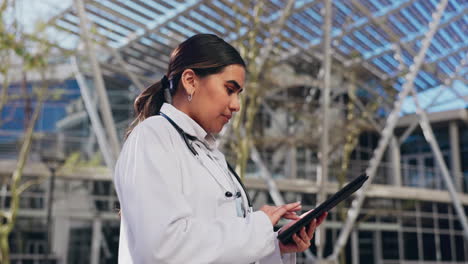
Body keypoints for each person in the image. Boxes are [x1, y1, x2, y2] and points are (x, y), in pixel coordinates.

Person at [114, 33, 327, 263]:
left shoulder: (212, 155)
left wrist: (273, 245)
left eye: (238, 94)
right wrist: (258, 226)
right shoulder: (153, 136)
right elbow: (162, 249)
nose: (236, 105)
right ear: (190, 81)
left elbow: (221, 247)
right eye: (229, 89)